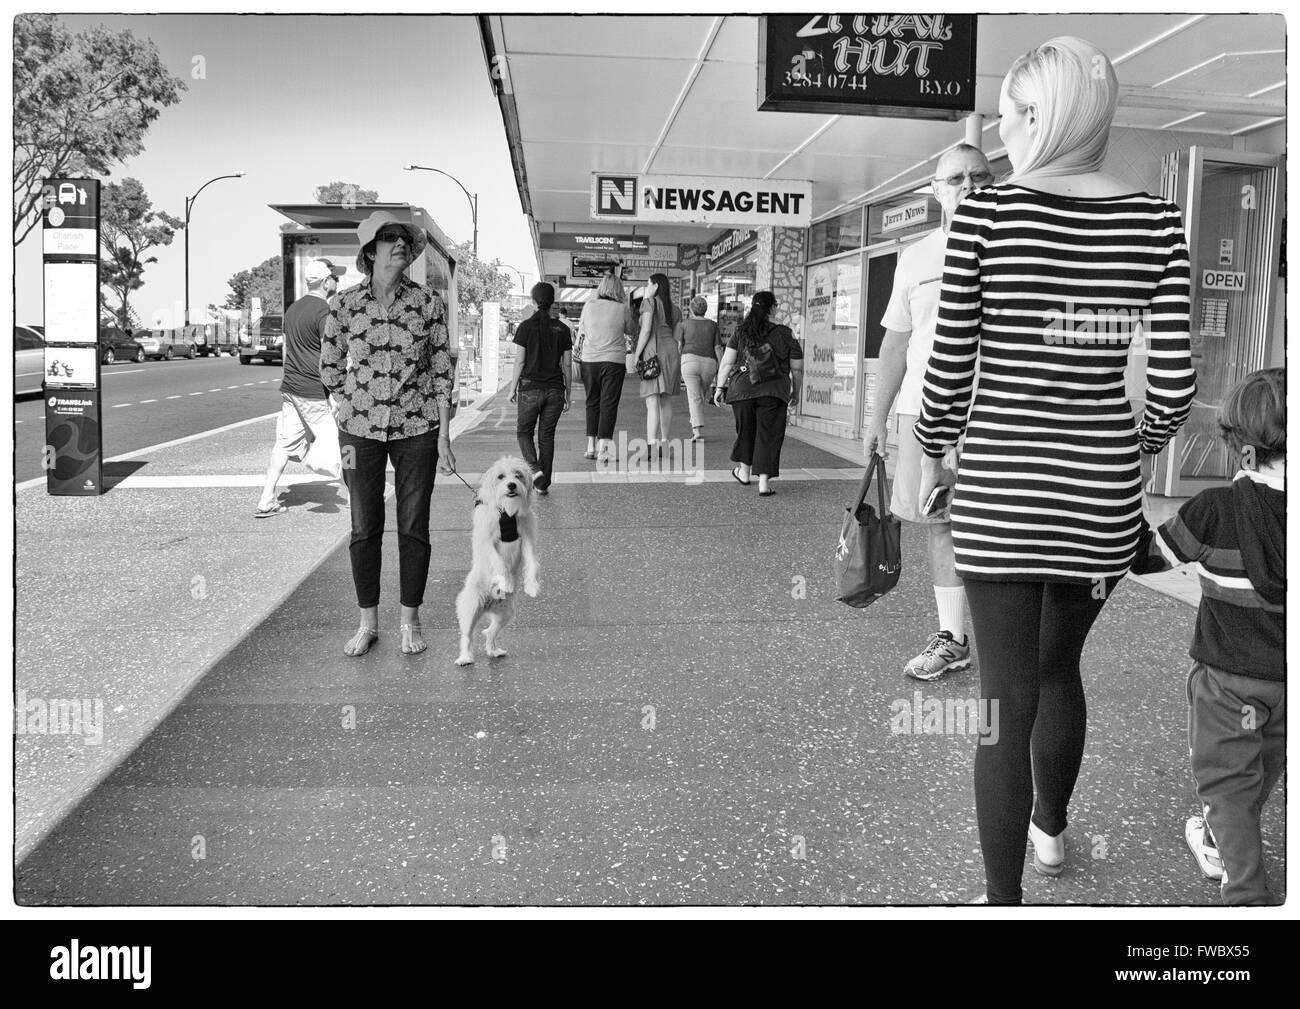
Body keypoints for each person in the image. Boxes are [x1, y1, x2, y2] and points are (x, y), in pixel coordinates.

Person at [912, 37, 1197, 904]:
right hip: (1097, 497)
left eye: (1006, 115)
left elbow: (948, 373)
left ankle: (1005, 901)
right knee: (1059, 669)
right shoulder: (1155, 222)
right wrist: (1132, 443)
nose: (1000, 134)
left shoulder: (987, 216)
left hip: (998, 490)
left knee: (1002, 702)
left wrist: (936, 449)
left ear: (1038, 115)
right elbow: (1178, 388)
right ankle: (1051, 832)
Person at [1131, 369, 1284, 905]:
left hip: (1227, 683)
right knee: (1264, 763)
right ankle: (1223, 832)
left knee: (1227, 781)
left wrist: (1131, 503)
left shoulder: (1214, 509)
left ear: (1241, 449)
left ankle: (1245, 891)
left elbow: (1147, 558)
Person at [866, 144, 993, 681]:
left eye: (980, 177)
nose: (969, 186)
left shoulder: (1016, 248)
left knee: (998, 528)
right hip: (925, 413)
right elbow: (896, 344)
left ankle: (1005, 638)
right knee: (939, 524)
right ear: (937, 190)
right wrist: (877, 417)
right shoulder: (915, 257)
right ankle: (954, 639)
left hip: (998, 416)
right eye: (956, 179)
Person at [320, 210, 456, 657]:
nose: (399, 243)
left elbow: (440, 372)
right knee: (363, 526)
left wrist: (444, 435)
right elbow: (330, 365)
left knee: (413, 526)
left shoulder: (428, 303)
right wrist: (347, 406)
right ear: (369, 251)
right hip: (358, 432)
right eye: (388, 238)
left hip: (418, 428)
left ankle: (409, 620)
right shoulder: (343, 305)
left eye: (403, 237)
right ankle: (367, 622)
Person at [254, 258, 345, 517]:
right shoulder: (323, 313)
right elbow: (329, 355)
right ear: (326, 281)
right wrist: (336, 391)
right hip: (312, 390)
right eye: (334, 278)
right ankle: (354, 497)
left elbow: (287, 351)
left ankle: (266, 498)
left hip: (291, 387)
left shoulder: (293, 310)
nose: (335, 282)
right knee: (342, 444)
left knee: (283, 444)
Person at [713, 291, 804, 496]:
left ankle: (744, 473)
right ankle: (763, 484)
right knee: (769, 434)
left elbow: (727, 362)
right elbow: (797, 369)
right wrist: (796, 392)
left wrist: (719, 388)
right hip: (774, 390)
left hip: (743, 389)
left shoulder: (741, 332)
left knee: (746, 431)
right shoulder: (785, 333)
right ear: (773, 308)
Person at [510, 281, 572, 495]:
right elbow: (567, 364)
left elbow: (519, 361)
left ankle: (535, 469)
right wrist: (568, 393)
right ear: (552, 302)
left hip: (529, 389)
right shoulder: (562, 329)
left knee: (523, 432)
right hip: (555, 390)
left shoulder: (525, 326)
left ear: (534, 301)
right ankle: (542, 484)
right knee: (546, 436)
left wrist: (511, 389)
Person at [576, 273, 633, 461]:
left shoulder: (589, 306)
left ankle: (590, 446)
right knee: (608, 404)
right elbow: (631, 330)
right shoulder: (622, 308)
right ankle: (603, 449)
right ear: (618, 289)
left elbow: (582, 331)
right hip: (614, 361)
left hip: (590, 359)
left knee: (592, 402)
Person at [632, 273, 682, 454]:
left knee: (652, 400)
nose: (647, 287)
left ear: (655, 286)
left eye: (648, 283)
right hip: (671, 353)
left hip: (653, 352)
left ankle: (652, 445)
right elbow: (677, 337)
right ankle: (665, 443)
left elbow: (646, 331)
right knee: (666, 400)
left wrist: (637, 354)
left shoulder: (649, 303)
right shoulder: (675, 309)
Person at [676, 295, 724, 443]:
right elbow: (717, 347)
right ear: (705, 309)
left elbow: (679, 346)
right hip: (709, 363)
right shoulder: (713, 325)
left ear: (691, 309)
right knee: (699, 395)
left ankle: (696, 428)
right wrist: (722, 367)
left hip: (689, 361)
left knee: (695, 396)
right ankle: (695, 424)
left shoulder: (684, 324)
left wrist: (678, 364)